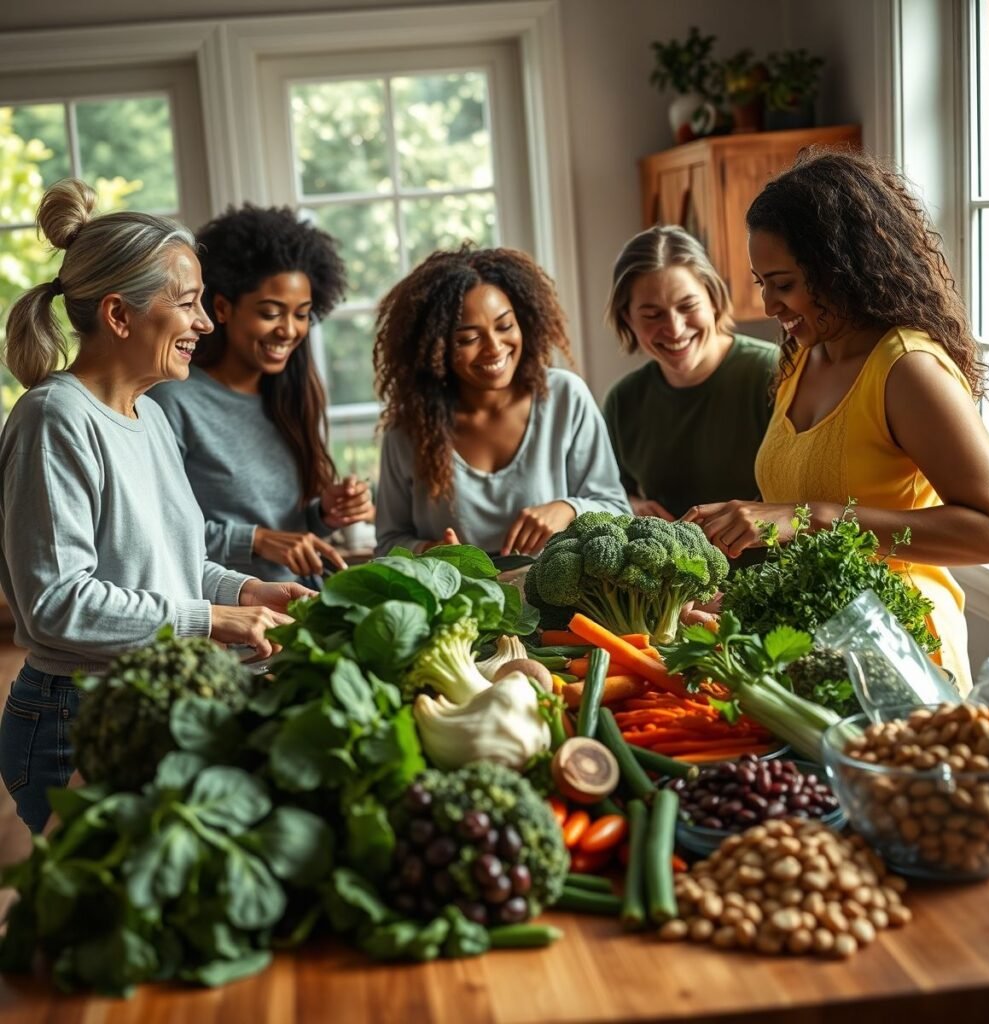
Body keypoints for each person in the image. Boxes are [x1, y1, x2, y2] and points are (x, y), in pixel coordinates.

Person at [0, 180, 311, 832]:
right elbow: (56, 604)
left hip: (146, 697)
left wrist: (251, 592)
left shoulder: (150, 418)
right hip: (75, 718)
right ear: (120, 316)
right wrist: (211, 621)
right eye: (190, 304)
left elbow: (180, 565)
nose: (204, 322)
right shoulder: (55, 418)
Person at [685, 149, 989, 691]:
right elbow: (795, 515)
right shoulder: (803, 353)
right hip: (813, 649)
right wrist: (746, 595)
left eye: (784, 283)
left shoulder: (908, 370)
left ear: (840, 268)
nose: (771, 304)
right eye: (761, 283)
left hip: (905, 657)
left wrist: (814, 516)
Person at [151, 204, 373, 586]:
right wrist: (256, 540)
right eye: (271, 313)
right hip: (232, 619)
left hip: (302, 608)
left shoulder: (288, 395)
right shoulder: (173, 402)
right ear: (222, 308)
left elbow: (289, 532)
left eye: (301, 314)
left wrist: (325, 514)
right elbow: (159, 531)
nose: (289, 330)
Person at [373, 243, 631, 556]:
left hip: (563, 606)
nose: (494, 348)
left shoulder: (565, 398)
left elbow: (618, 510)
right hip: (458, 604)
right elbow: (388, 543)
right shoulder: (408, 430)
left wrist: (568, 509)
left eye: (505, 326)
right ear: (435, 347)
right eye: (468, 338)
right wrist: (431, 550)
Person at [603, 225, 777, 521]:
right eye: (652, 315)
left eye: (688, 306)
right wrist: (632, 505)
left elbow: (808, 497)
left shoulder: (772, 372)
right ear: (627, 319)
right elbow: (609, 492)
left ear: (713, 299)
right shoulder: (624, 400)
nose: (675, 328)